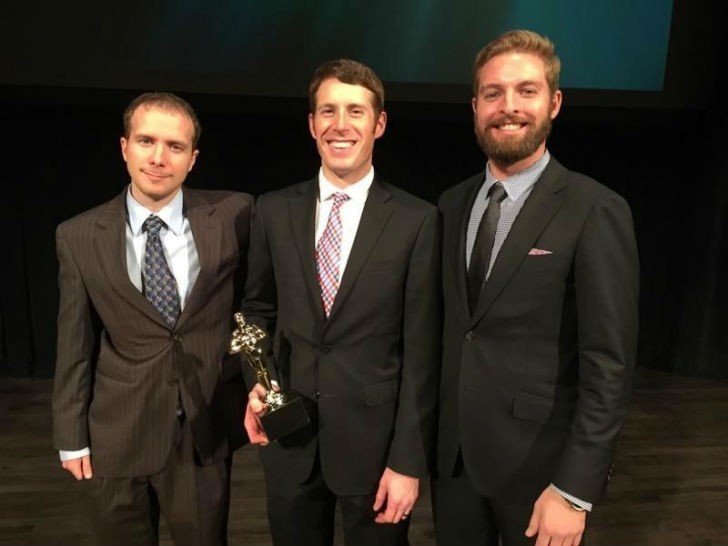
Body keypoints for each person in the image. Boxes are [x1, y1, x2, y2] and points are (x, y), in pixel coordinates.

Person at [434, 30, 639, 546]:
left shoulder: (595, 209)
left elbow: (608, 365)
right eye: (493, 93)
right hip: (454, 465)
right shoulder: (450, 204)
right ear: (475, 106)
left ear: (554, 103)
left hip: (540, 473)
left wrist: (574, 490)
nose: (509, 107)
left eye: (526, 91)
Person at [242, 59, 440, 546]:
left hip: (376, 453)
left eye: (356, 110)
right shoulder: (272, 209)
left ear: (379, 123)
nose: (340, 124)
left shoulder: (417, 220)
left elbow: (422, 352)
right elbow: (256, 310)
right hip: (289, 441)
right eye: (327, 110)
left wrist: (408, 462)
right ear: (312, 124)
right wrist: (257, 383)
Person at [52, 92, 253, 546]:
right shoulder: (79, 235)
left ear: (192, 159)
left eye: (175, 146)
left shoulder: (233, 215)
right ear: (124, 147)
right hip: (116, 436)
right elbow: (74, 343)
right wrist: (70, 435)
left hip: (200, 435)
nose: (159, 157)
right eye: (146, 141)